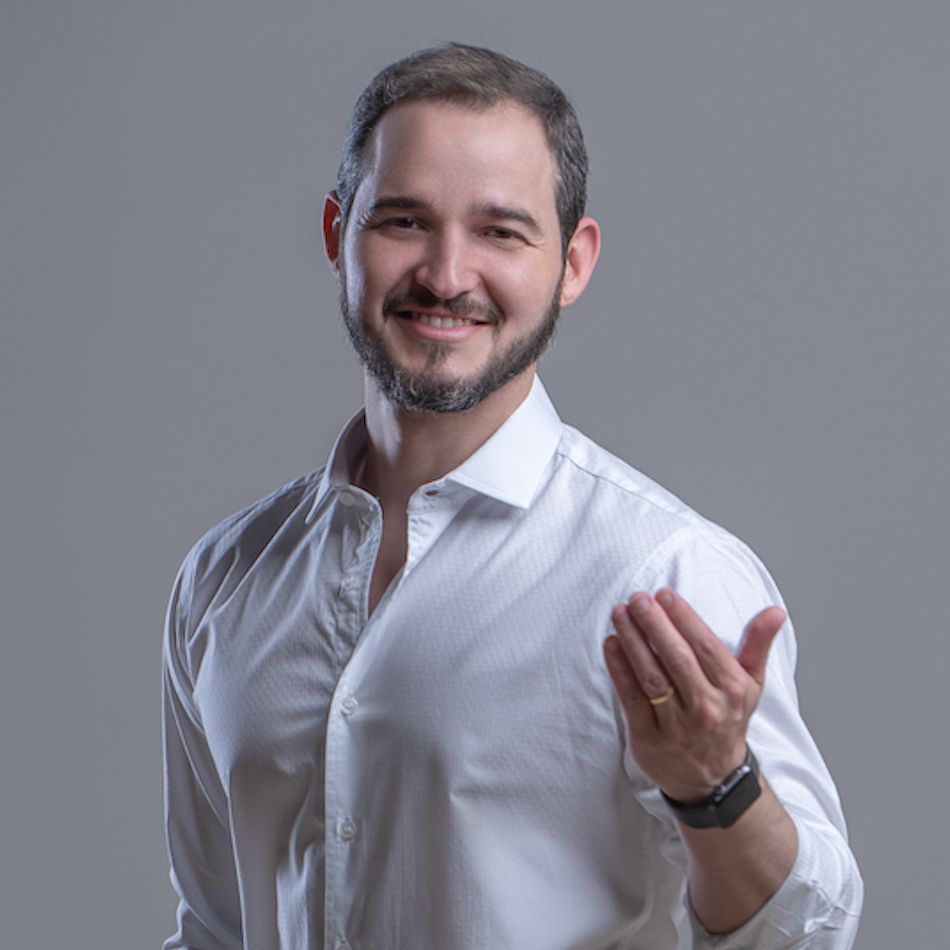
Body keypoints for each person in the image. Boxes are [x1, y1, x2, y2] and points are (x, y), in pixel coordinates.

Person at [162, 44, 863, 949]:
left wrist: (716, 787)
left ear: (573, 262)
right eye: (405, 221)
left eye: (500, 232)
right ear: (338, 236)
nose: (447, 275)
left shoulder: (663, 576)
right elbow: (215, 929)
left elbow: (805, 938)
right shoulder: (225, 579)